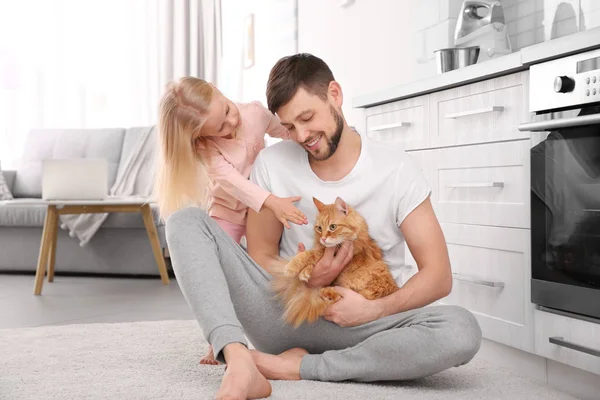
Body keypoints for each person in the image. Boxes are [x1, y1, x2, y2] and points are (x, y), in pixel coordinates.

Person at [164, 54, 482, 400]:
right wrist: (304, 278)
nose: (301, 136)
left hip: (366, 325)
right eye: (288, 126)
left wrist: (373, 309)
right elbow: (261, 257)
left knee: (462, 330)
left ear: (335, 94)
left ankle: (292, 367)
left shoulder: (398, 168)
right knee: (184, 221)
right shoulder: (271, 164)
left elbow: (438, 276)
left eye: (306, 118)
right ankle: (239, 359)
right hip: (288, 318)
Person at [155, 77, 309, 365]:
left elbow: (287, 134)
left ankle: (277, 328)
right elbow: (233, 182)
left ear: (218, 89)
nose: (231, 123)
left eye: (226, 110)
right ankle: (220, 337)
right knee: (213, 273)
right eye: (220, 128)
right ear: (200, 136)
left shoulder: (254, 113)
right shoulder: (206, 148)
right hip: (228, 211)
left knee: (262, 267)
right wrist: (272, 202)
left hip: (260, 212)